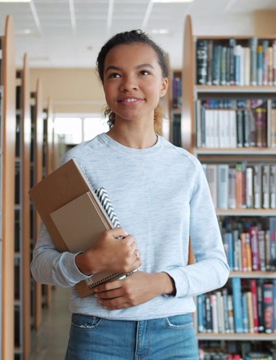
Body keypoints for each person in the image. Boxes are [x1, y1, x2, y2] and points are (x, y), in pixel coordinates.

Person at [30, 29, 229, 359]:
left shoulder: (186, 167)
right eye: (115, 74)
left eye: (144, 72)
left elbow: (217, 266)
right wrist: (90, 261)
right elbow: (41, 265)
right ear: (105, 85)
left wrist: (160, 282)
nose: (129, 84)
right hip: (98, 333)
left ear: (164, 84)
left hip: (173, 334)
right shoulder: (78, 162)